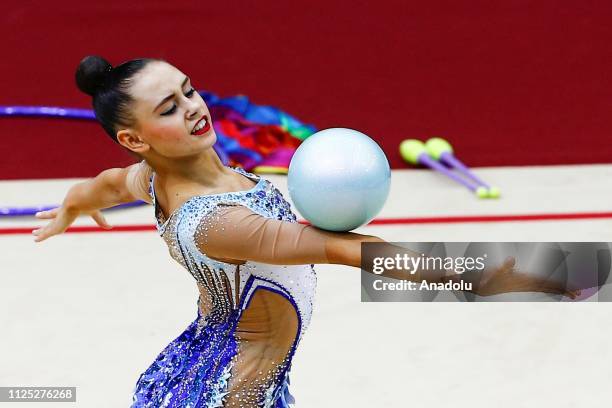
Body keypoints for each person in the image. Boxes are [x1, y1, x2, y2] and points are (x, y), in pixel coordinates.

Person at [31, 56, 579, 407]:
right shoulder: (220, 223)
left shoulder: (151, 176)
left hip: (213, 364)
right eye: (170, 109)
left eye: (189, 90)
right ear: (135, 138)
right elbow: (345, 249)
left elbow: (101, 185)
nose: (195, 109)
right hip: (235, 392)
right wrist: (494, 275)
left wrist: (69, 209)